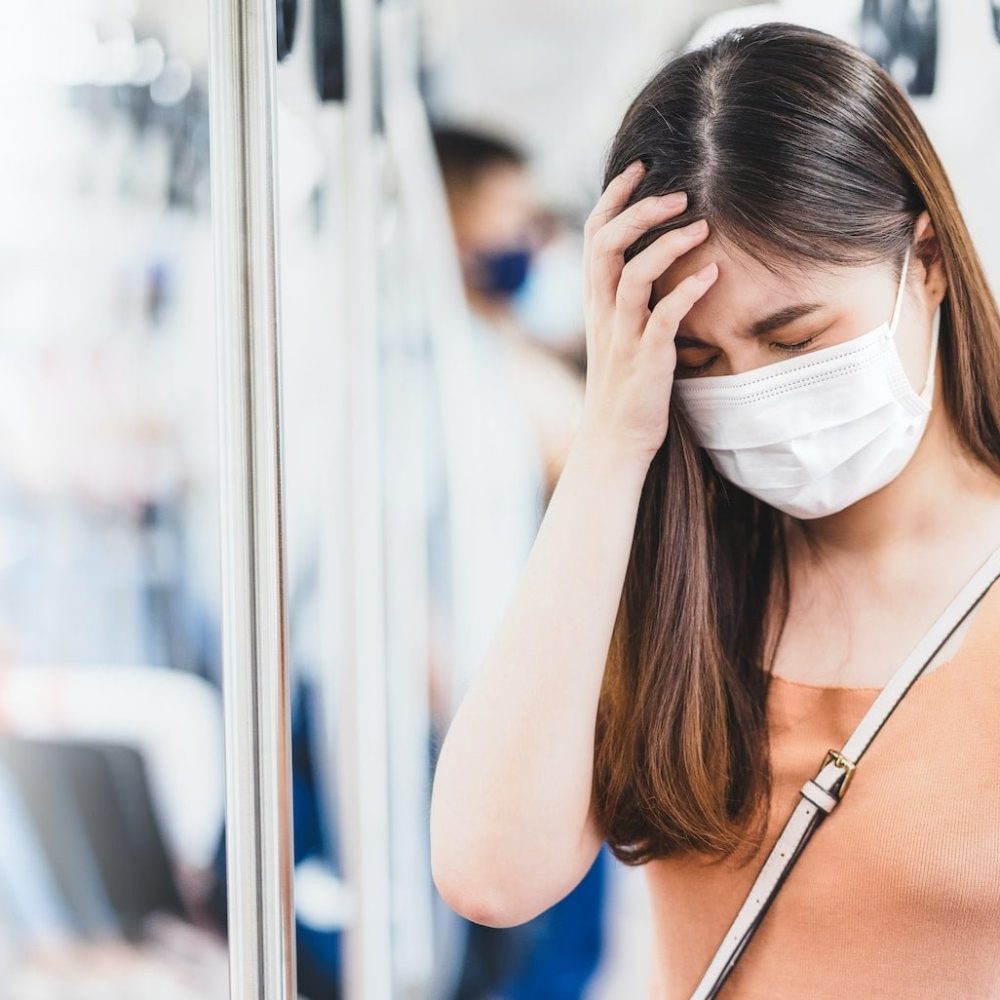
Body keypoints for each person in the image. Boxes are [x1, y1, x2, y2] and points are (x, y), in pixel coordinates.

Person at [429, 21, 1000, 1000]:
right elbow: (489, 871)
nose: (757, 396)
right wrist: (611, 436)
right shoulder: (687, 584)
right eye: (700, 361)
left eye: (795, 335)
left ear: (929, 259)